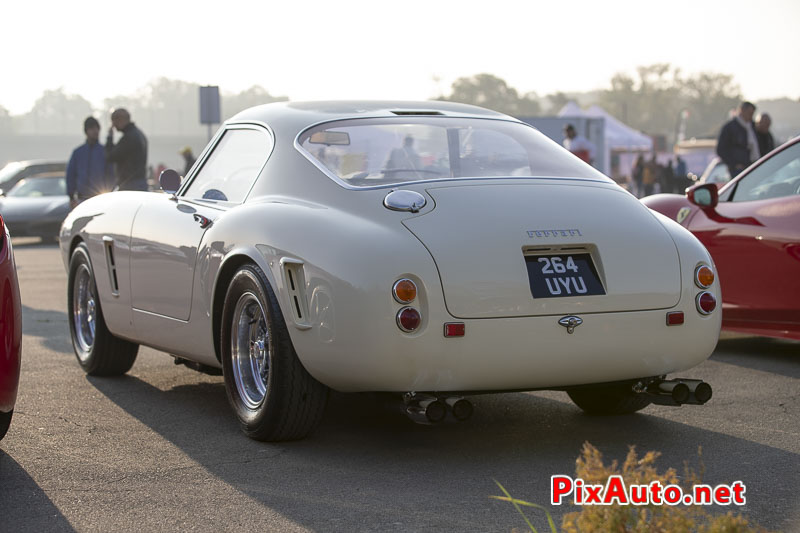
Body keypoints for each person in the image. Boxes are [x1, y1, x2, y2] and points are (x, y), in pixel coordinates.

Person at [66, 117, 113, 208]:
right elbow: (71, 174)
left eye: (97, 129)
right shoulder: (78, 152)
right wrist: (71, 196)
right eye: (92, 129)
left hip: (100, 198)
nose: (95, 131)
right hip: (82, 198)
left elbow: (111, 175)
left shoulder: (105, 152)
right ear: (86, 131)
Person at [106, 108, 148, 191]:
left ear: (121, 119)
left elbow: (111, 156)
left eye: (114, 121)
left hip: (130, 184)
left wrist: (110, 138)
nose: (113, 125)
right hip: (139, 182)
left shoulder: (129, 138)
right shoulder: (139, 134)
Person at [716, 101, 759, 176]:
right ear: (742, 111)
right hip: (738, 170)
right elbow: (721, 149)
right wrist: (734, 164)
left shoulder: (753, 127)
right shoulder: (730, 128)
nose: (751, 116)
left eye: (752, 114)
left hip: (752, 166)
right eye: (749, 113)